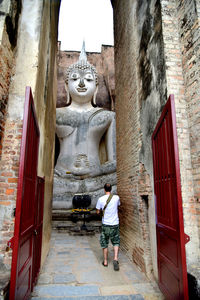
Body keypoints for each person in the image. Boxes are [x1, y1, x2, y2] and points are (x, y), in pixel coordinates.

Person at [96, 183, 120, 271]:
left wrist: (100, 211)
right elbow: (118, 205)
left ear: (104, 189)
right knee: (116, 241)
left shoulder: (100, 199)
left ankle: (105, 261)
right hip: (115, 224)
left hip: (106, 224)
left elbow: (98, 212)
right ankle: (115, 259)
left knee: (104, 242)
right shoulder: (117, 198)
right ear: (111, 189)